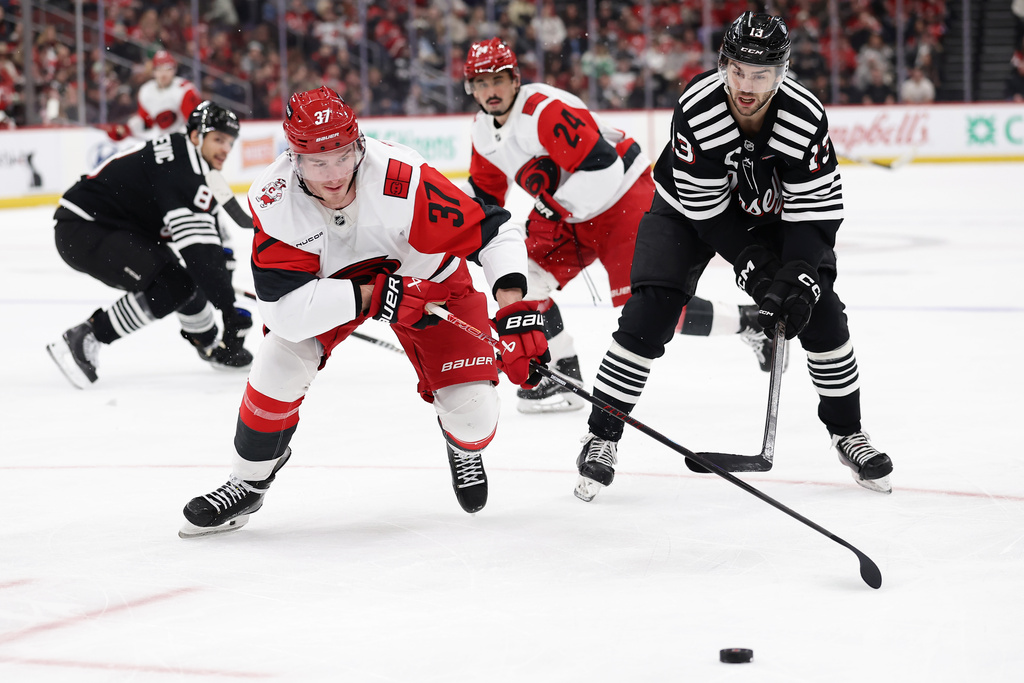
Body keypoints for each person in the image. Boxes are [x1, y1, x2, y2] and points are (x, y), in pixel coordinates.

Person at [178, 86, 548, 537]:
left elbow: (495, 231)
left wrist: (514, 310)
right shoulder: (275, 203)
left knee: (474, 417)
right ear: (294, 158)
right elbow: (285, 312)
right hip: (339, 288)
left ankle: (462, 444)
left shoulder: (402, 176)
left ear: (358, 145)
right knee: (279, 362)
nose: (333, 175)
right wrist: (376, 296)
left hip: (429, 279)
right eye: (317, 162)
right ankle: (247, 482)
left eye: (341, 156)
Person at [573, 12, 894, 502]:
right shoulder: (698, 107)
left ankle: (847, 432)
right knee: (651, 310)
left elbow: (816, 215)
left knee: (822, 312)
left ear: (782, 74)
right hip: (686, 210)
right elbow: (705, 210)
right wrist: (754, 267)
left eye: (761, 74)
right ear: (724, 64)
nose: (747, 85)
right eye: (738, 69)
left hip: (774, 217)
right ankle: (602, 435)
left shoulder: (804, 116)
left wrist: (798, 278)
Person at [462, 37, 775, 416]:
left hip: (623, 200)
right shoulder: (482, 130)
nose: (490, 91)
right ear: (471, 89)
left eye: (497, 79)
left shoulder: (544, 112)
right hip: (568, 211)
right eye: (480, 83)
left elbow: (603, 168)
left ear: (515, 79)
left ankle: (750, 323)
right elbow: (483, 198)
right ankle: (564, 374)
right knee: (521, 280)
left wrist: (550, 208)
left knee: (651, 312)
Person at [47, 101, 254, 388]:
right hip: (84, 229)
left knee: (184, 281)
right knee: (175, 284)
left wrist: (221, 293)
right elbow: (199, 252)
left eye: (230, 143)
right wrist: (228, 310)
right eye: (218, 139)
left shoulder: (192, 166)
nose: (225, 150)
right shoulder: (182, 167)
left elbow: (218, 251)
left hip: (112, 227)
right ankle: (88, 335)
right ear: (196, 136)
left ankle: (210, 345)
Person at [99, 50, 203, 142]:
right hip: (160, 141)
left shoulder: (185, 90)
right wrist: (126, 129)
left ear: (174, 70)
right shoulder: (146, 91)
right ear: (153, 71)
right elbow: (145, 120)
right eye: (159, 69)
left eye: (168, 69)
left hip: (183, 141)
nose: (163, 74)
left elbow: (194, 124)